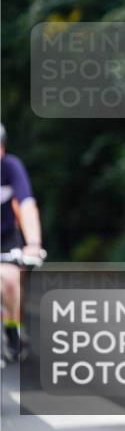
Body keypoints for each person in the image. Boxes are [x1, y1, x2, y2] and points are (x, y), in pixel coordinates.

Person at [0, 122, 45, 362]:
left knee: (9, 279)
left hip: (5, 237)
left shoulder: (10, 168)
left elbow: (26, 205)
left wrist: (34, 243)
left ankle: (12, 328)